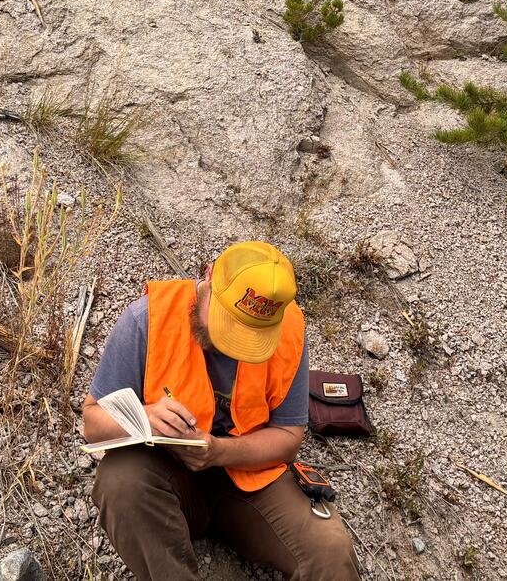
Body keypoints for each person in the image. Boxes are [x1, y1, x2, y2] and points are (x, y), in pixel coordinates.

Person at [82, 240, 360, 581]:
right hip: (167, 476)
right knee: (120, 482)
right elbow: (93, 422)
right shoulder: (147, 319)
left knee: (329, 550)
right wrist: (144, 417)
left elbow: (288, 437)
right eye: (227, 321)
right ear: (210, 275)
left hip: (249, 478)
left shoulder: (288, 334)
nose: (232, 343)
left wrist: (219, 452)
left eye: (249, 335)